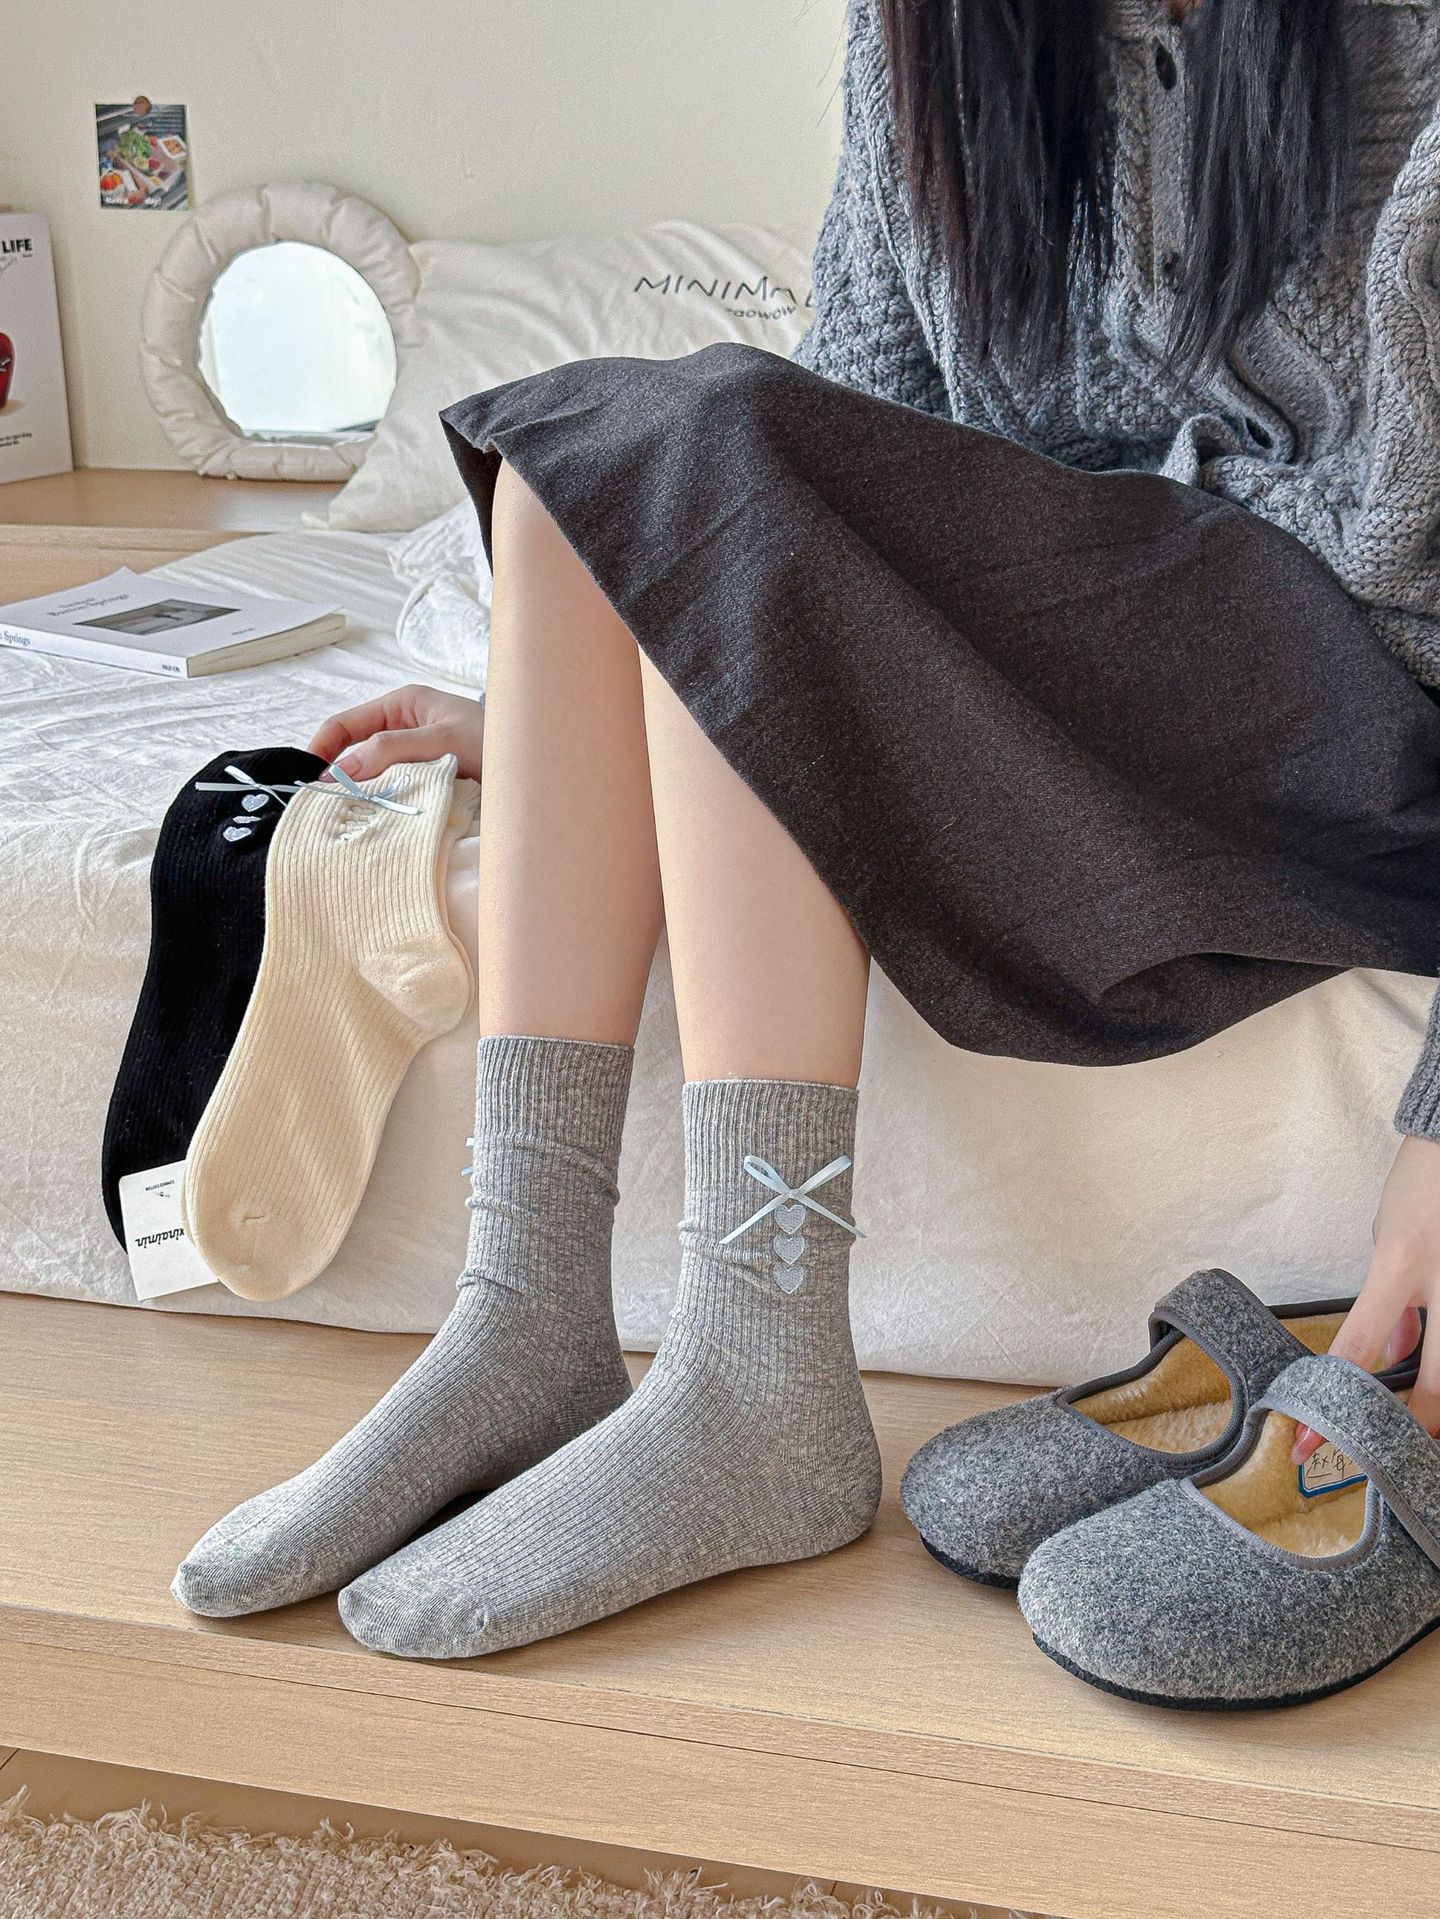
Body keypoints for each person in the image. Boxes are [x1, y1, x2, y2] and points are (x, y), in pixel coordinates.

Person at [174, 0, 1440, 1658]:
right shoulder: (940, 27)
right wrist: (585, 704)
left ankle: (755, 1368)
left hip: (1365, 726)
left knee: (697, 454)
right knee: (597, 453)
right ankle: (525, 1310)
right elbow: (838, 439)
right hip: (1093, 669)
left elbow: (781, 486)